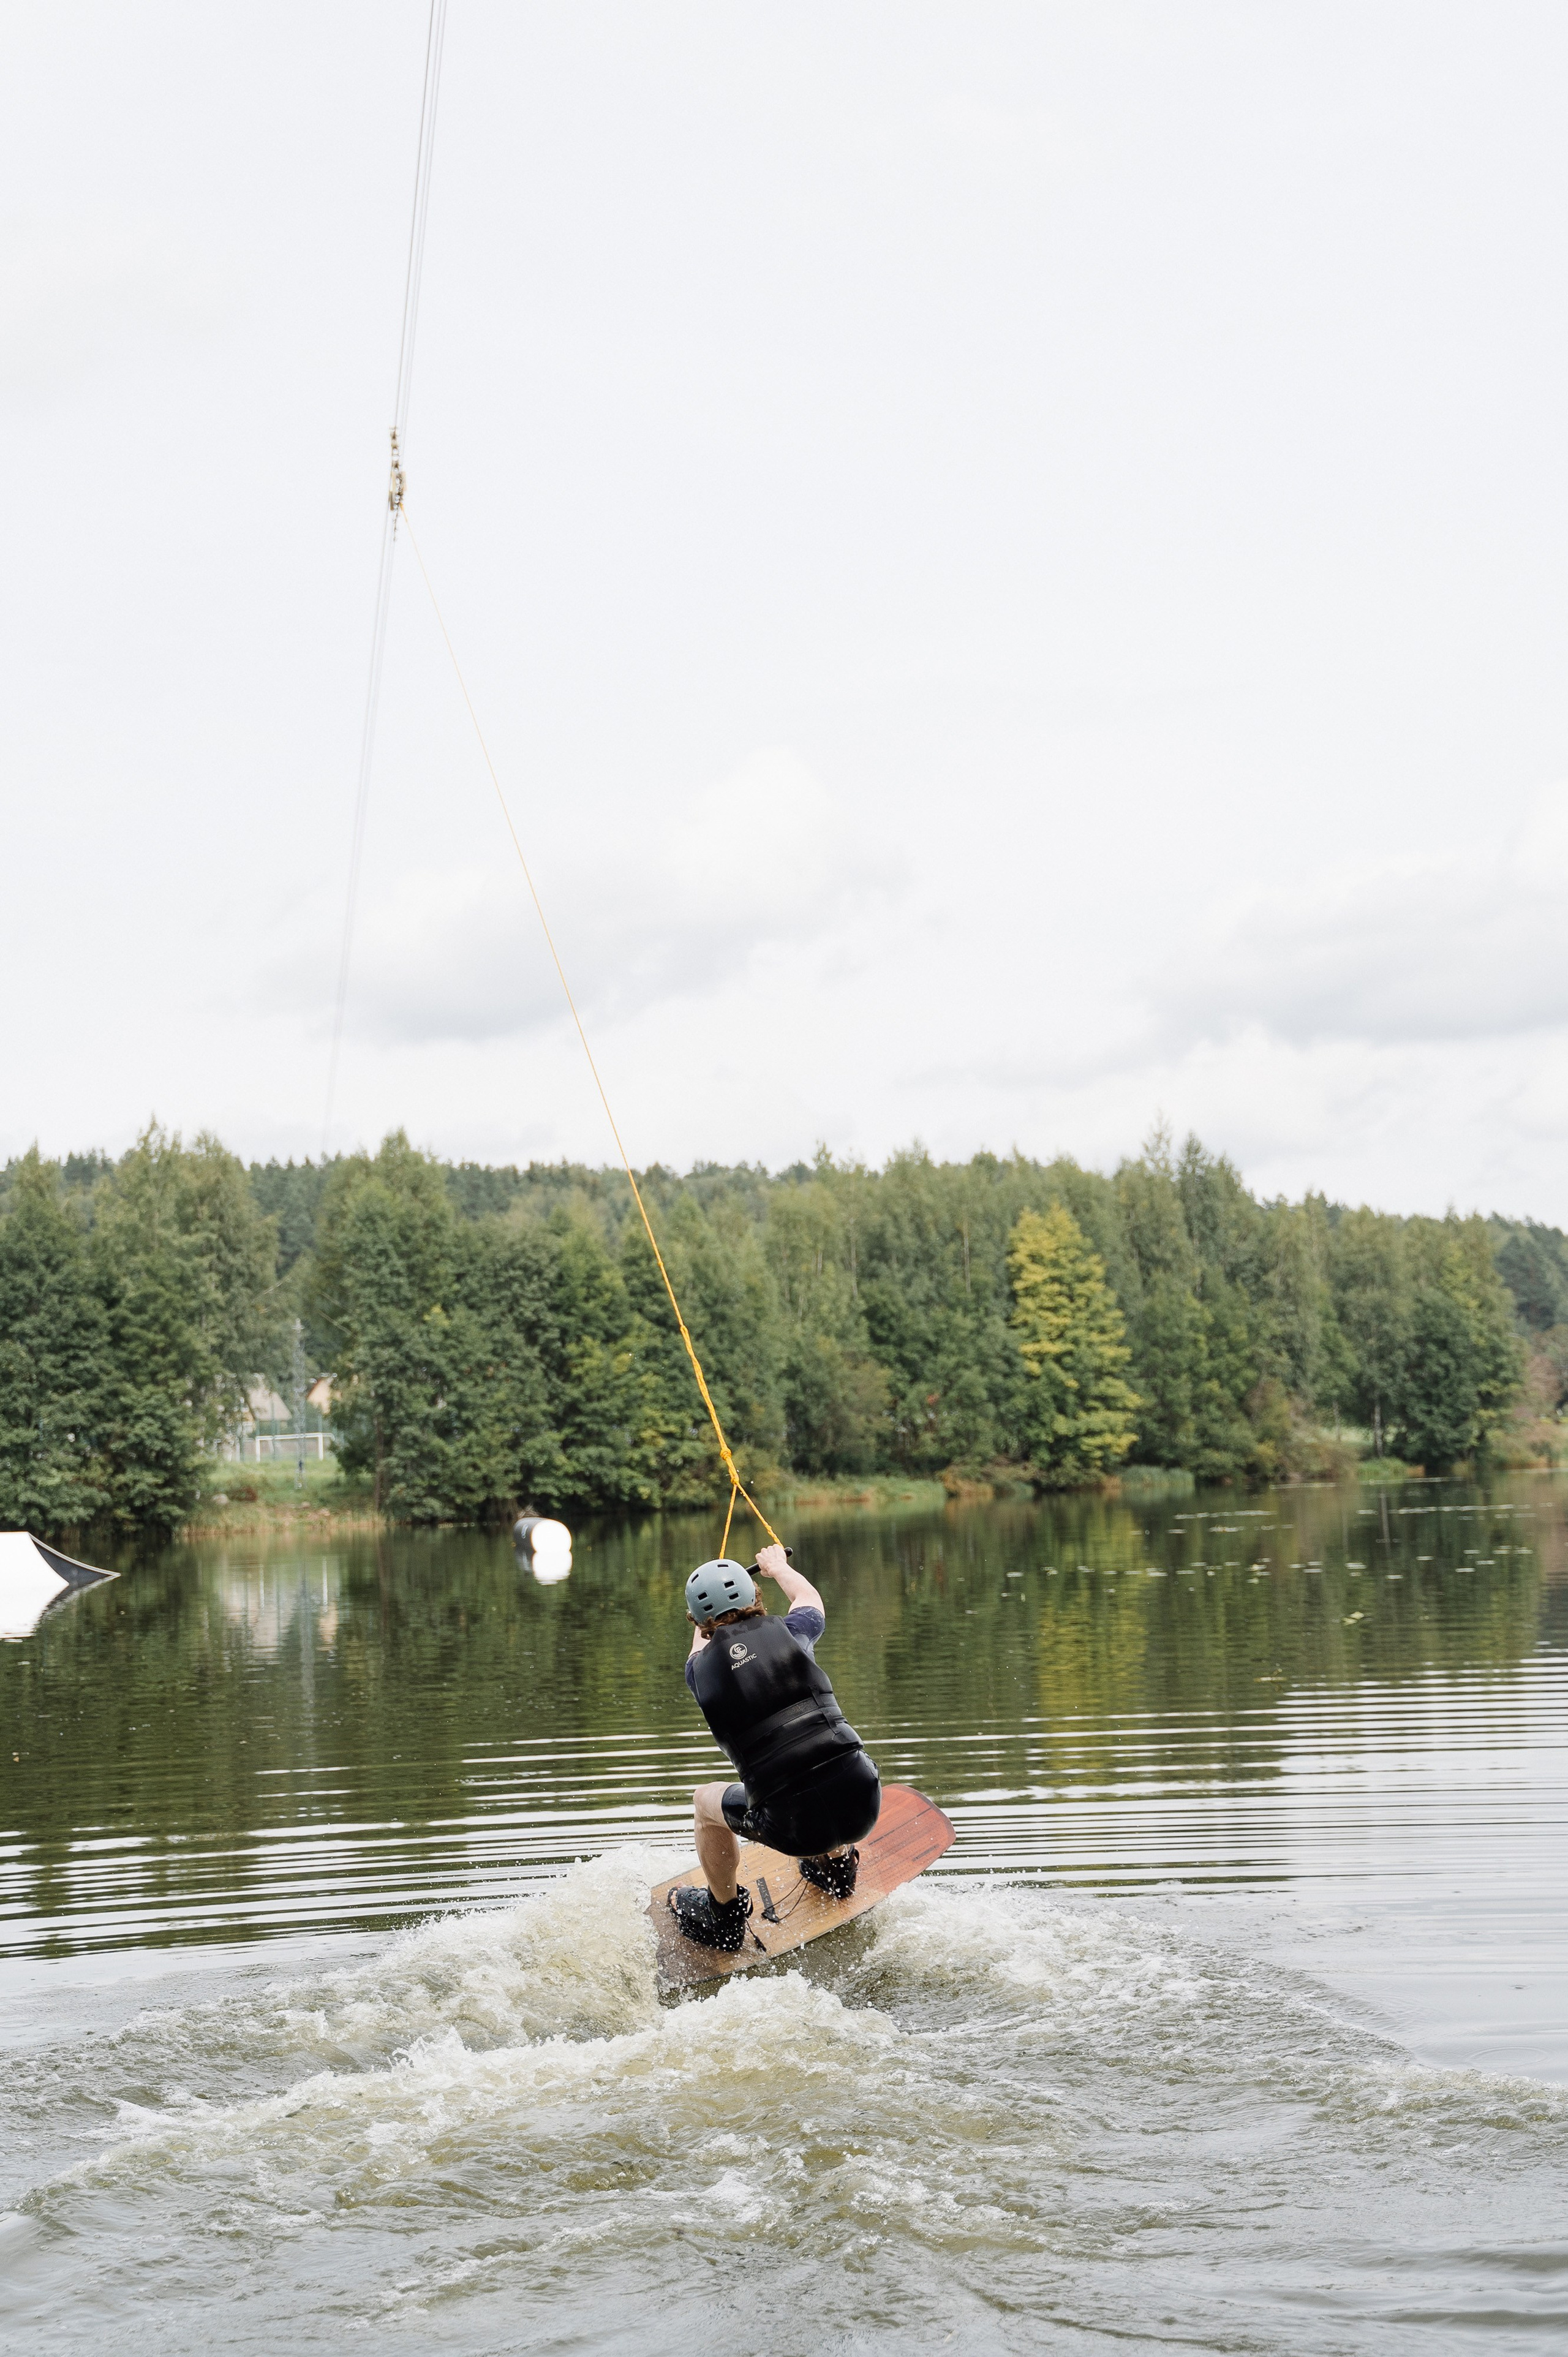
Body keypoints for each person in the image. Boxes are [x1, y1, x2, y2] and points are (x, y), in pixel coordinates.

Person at [669, 1540, 881, 1951]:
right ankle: (837, 1869)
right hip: (864, 1799)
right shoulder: (795, 1632)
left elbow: (703, 1641)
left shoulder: (698, 1670)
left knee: (704, 1802)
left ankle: (724, 1917)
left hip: (793, 1828)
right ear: (755, 1597)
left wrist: (705, 1616)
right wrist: (777, 1566)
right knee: (824, 1753)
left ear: (698, 1619)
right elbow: (808, 1597)